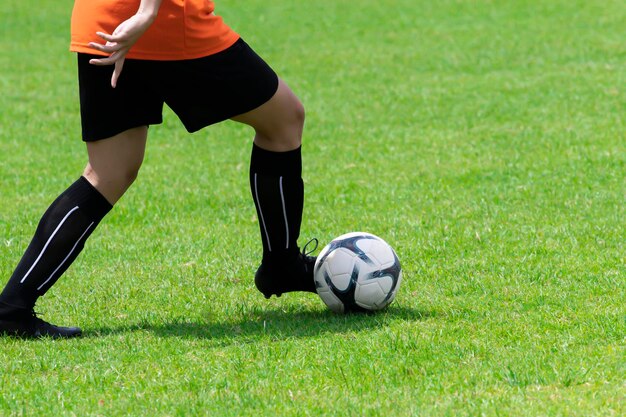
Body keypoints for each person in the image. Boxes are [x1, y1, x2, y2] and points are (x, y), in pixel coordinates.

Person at [0, 0, 317, 339]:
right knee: (284, 119)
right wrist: (147, 12)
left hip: (102, 20)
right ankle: (281, 266)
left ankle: (12, 307)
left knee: (109, 172)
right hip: (161, 23)